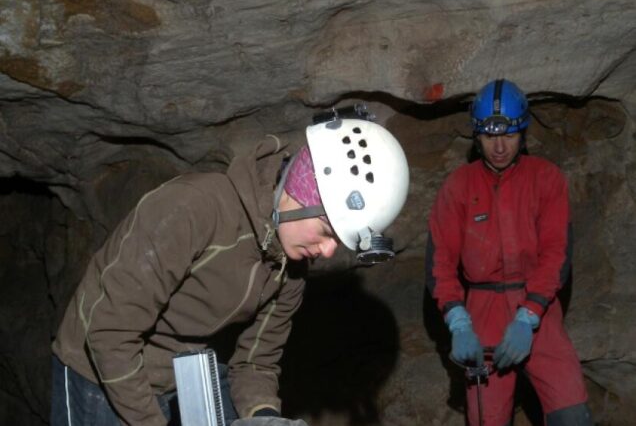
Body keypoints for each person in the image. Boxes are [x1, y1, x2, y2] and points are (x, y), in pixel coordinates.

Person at [50, 106, 410, 426]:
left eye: (339, 243)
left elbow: (255, 363)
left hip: (176, 377)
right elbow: (110, 332)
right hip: (97, 370)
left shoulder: (290, 270)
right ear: (300, 195)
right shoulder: (193, 210)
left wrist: (263, 416)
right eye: (328, 232)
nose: (328, 251)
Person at [425, 79, 593, 426]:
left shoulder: (545, 178)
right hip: (481, 311)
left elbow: (556, 254)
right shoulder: (458, 186)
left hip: (538, 307)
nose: (499, 147)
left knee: (572, 414)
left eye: (509, 135)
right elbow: (440, 262)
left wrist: (528, 316)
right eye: (489, 137)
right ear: (477, 136)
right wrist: (457, 321)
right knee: (488, 419)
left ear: (523, 133)